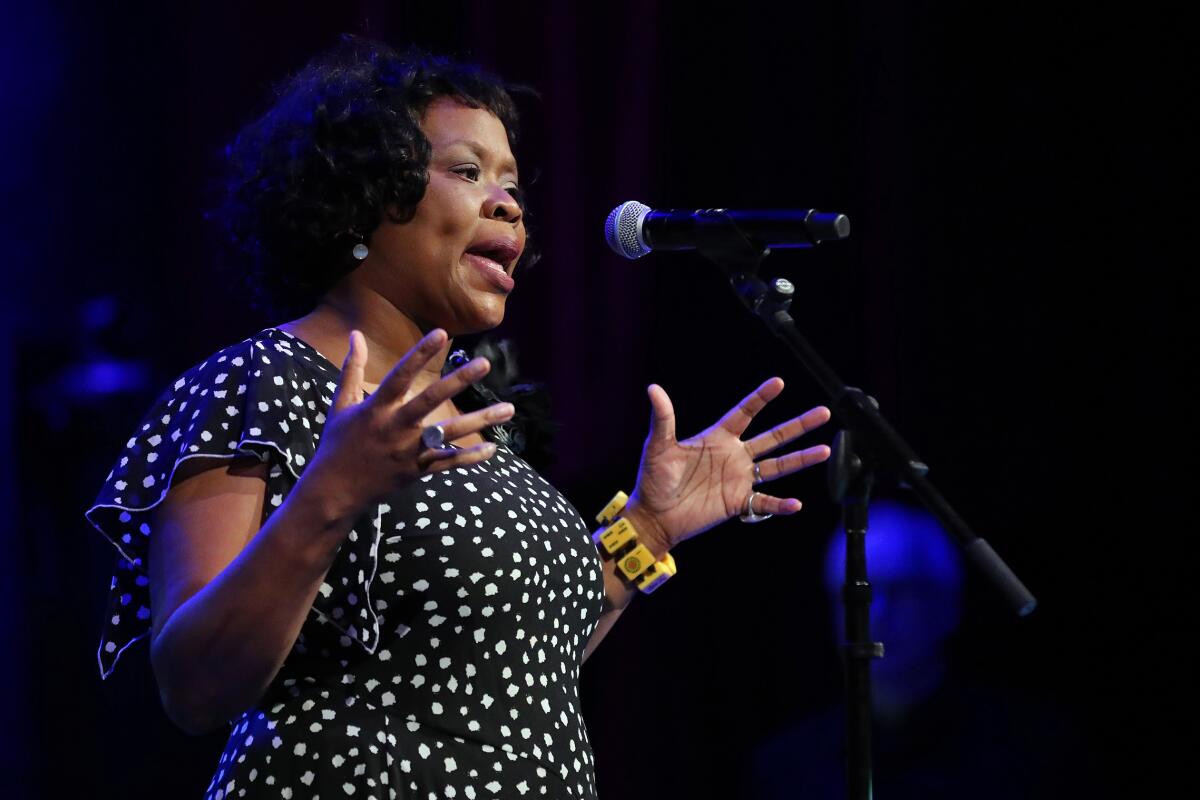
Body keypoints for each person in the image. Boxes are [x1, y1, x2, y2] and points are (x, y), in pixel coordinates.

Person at [85, 37, 832, 799]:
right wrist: (331, 494)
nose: (508, 203)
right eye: (467, 172)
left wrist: (647, 531)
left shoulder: (477, 425)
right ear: (366, 195)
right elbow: (194, 687)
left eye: (512, 183)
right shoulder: (256, 383)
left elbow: (510, 668)